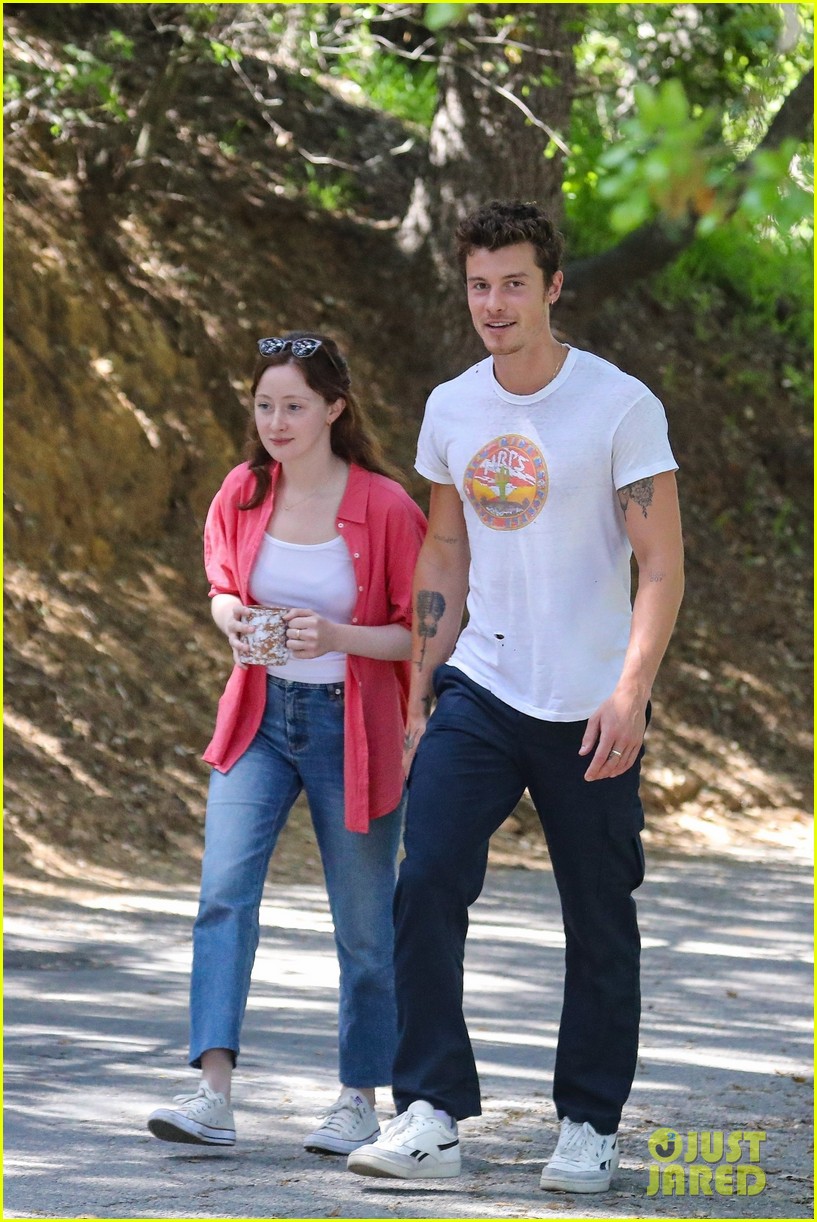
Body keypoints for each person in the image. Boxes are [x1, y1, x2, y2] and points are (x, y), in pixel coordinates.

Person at [347, 200, 684, 1191]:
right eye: (478, 285)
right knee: (426, 876)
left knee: (598, 910)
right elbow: (444, 544)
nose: (493, 303)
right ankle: (431, 1108)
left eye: (513, 284)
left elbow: (660, 566)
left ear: (553, 287)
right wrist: (420, 686)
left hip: (588, 701)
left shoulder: (618, 407)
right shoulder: (454, 406)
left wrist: (630, 690)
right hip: (482, 688)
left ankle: (587, 1122)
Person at [147, 331, 426, 1154]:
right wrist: (231, 617)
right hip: (259, 720)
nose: (276, 420)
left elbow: (422, 636)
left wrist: (336, 633)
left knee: (366, 926)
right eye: (264, 404)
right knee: (222, 897)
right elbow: (221, 589)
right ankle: (211, 1091)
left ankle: (357, 1100)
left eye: (294, 405)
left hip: (355, 724)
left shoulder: (385, 505)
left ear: (334, 409)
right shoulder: (241, 492)